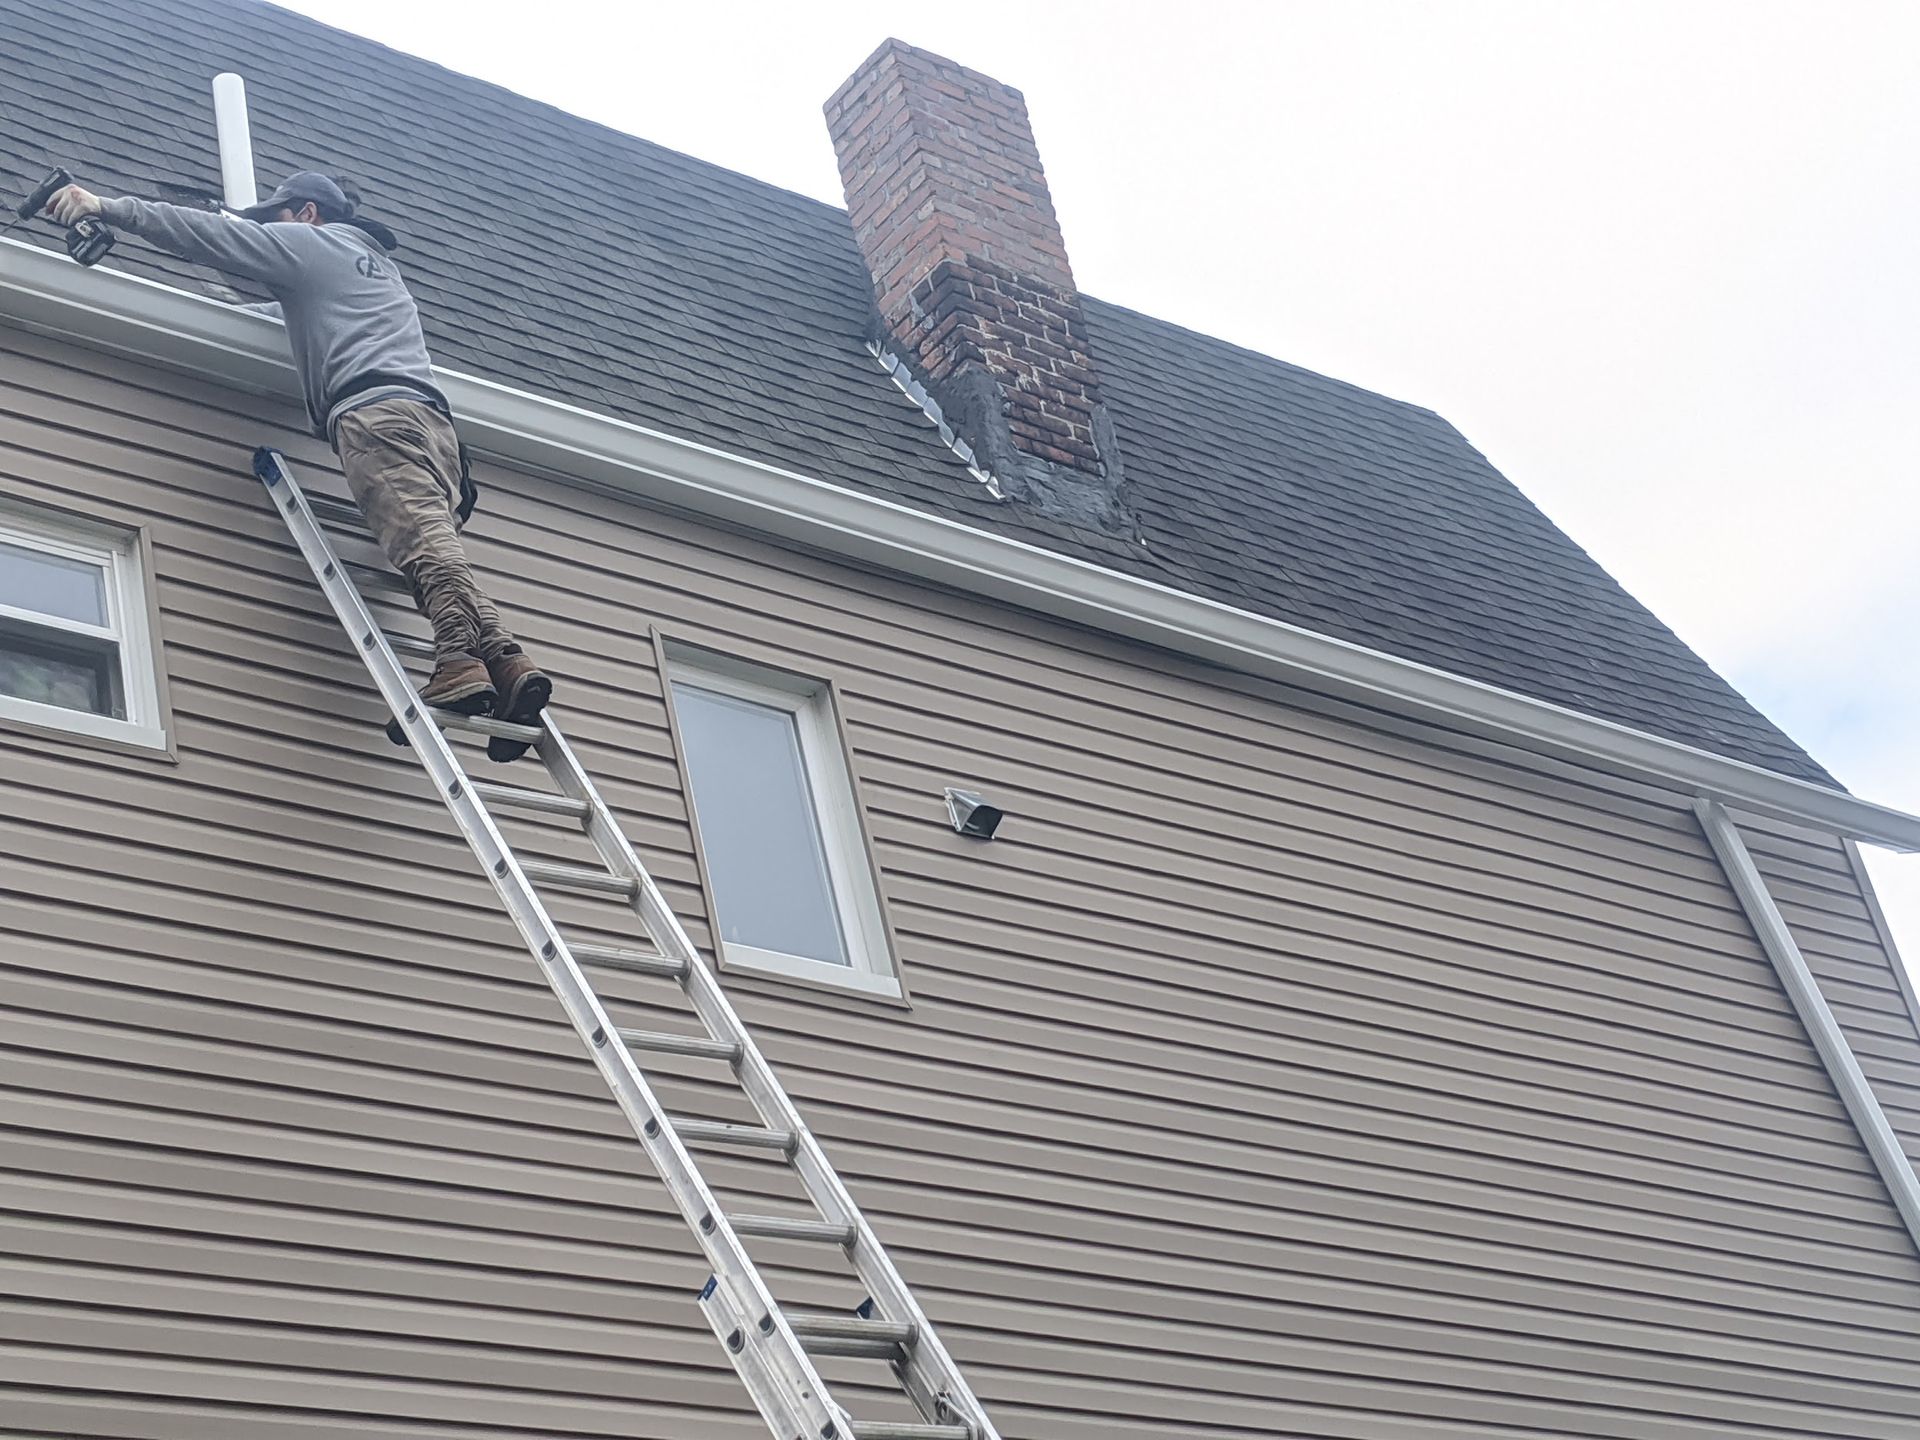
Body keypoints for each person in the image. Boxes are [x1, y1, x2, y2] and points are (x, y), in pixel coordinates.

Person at [45, 171, 551, 760]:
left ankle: (460, 659)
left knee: (422, 545)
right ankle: (508, 664)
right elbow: (267, 278)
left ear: (307, 214)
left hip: (374, 415)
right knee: (434, 542)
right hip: (430, 425)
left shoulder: (315, 244)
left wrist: (103, 205)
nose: (272, 236)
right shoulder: (373, 266)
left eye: (277, 222)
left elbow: (207, 235)